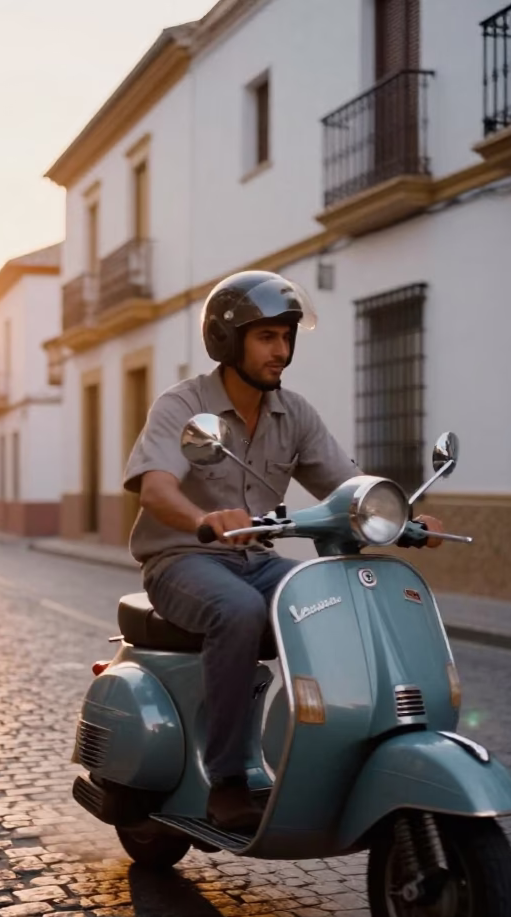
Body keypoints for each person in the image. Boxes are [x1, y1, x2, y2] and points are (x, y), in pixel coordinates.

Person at [123, 270, 441, 831]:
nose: (282, 350)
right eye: (267, 336)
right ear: (228, 340)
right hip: (181, 559)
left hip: (256, 560)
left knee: (333, 603)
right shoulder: (184, 405)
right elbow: (155, 488)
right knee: (238, 613)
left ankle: (323, 750)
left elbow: (348, 487)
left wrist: (404, 520)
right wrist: (204, 520)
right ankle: (226, 780)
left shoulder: (293, 414)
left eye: (287, 336)